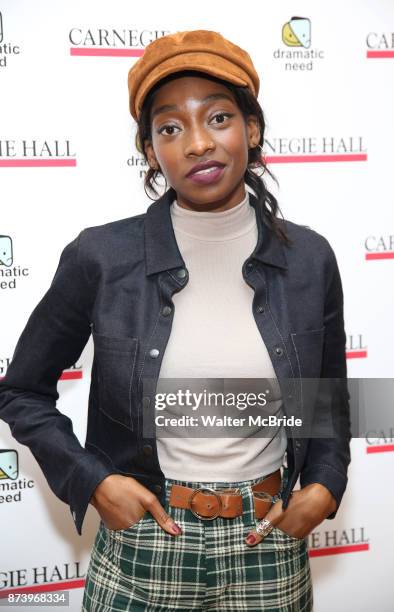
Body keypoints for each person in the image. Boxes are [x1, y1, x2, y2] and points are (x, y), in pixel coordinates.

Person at [0, 30, 351, 611]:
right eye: (169, 128)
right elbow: (23, 393)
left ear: (252, 129)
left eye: (218, 117)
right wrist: (94, 480)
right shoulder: (101, 257)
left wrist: (326, 483)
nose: (196, 144)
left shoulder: (310, 259)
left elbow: (327, 396)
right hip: (145, 541)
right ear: (150, 151)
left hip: (269, 540)